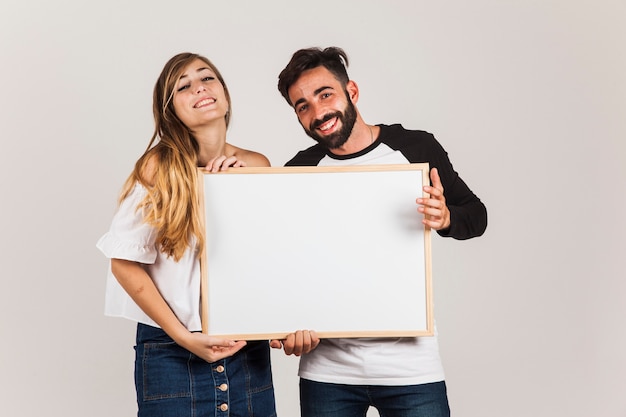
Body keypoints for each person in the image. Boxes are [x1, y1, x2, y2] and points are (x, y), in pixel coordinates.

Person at [275, 46, 488, 417]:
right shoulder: (299, 170)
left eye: (325, 94)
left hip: (411, 366)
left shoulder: (416, 148)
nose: (317, 112)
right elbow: (285, 264)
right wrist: (284, 325)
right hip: (327, 371)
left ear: (351, 91)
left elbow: (477, 215)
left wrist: (446, 217)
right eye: (302, 105)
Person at [96, 52, 278, 417]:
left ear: (224, 92)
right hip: (171, 349)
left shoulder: (256, 165)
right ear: (170, 110)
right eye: (184, 86)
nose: (200, 88)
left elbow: (266, 259)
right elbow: (123, 262)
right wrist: (185, 338)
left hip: (244, 346)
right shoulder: (157, 167)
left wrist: (234, 195)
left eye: (207, 78)